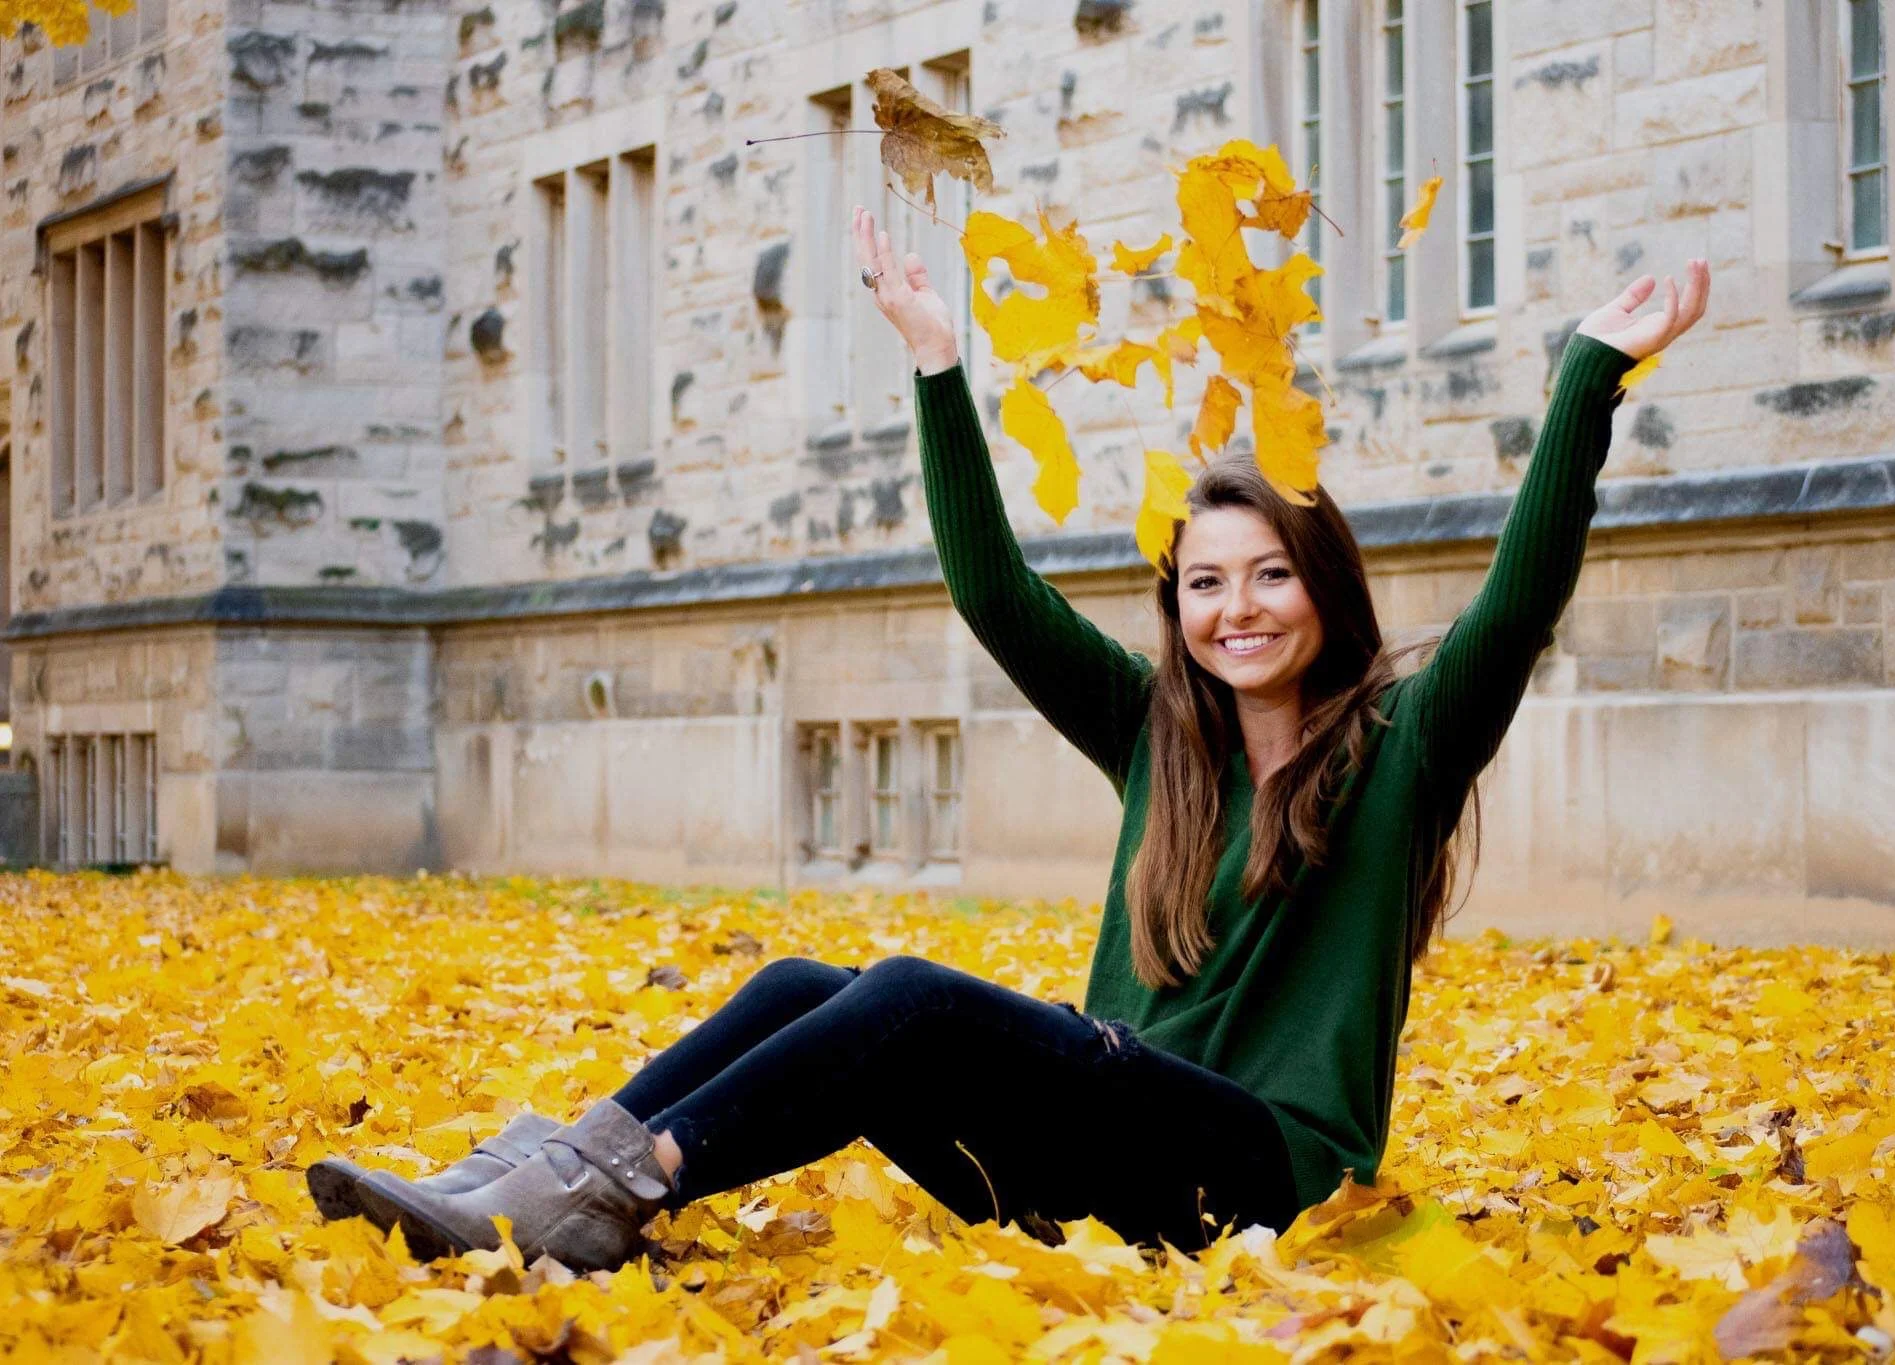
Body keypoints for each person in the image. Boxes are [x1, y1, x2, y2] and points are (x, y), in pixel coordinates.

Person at [308, 207, 1709, 1273]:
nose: (1238, 611)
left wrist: (1589, 374)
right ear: (1178, 613)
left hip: (1263, 1185)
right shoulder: (1160, 744)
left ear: (1326, 590)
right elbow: (994, 593)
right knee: (809, 976)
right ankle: (555, 1165)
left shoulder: (1403, 748)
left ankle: (618, 1191)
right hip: (1079, 1180)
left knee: (917, 988)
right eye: (1206, 585)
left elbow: (1519, 603)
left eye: (1271, 575)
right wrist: (935, 364)